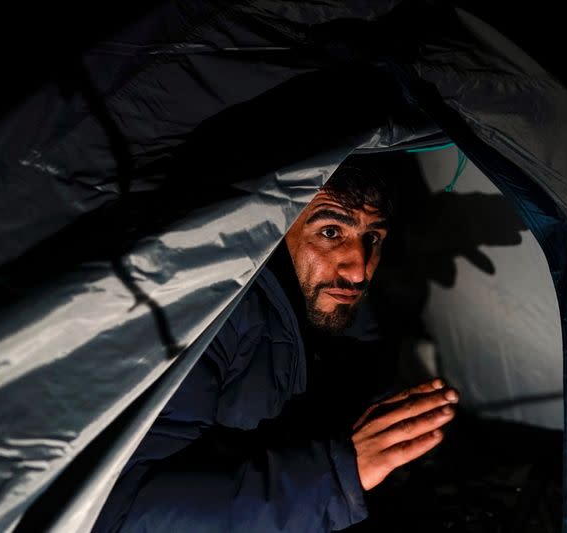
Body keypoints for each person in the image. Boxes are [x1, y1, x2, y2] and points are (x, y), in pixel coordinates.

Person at [92, 156, 459, 532]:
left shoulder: (330, 307)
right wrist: (334, 478)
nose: (359, 268)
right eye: (331, 232)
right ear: (275, 232)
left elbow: (357, 378)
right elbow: (121, 509)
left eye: (372, 238)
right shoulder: (214, 320)